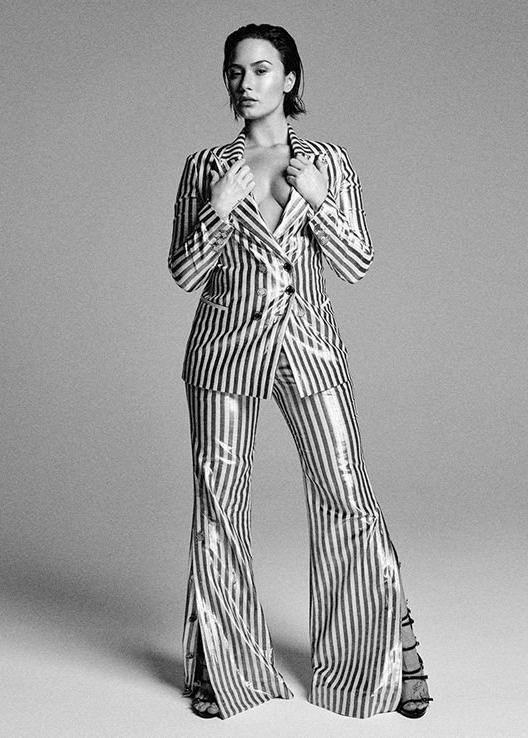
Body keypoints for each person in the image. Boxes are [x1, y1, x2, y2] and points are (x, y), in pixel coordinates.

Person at [168, 23, 432, 721]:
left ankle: (388, 653)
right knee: (219, 506)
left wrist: (317, 197)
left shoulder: (328, 163)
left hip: (310, 349)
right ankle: (222, 666)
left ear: (289, 80)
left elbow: (357, 264)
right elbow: (185, 274)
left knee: (347, 493)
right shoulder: (204, 168)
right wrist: (217, 212)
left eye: (260, 69)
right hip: (223, 350)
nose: (245, 82)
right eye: (235, 71)